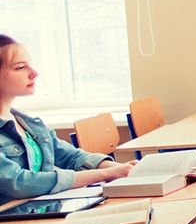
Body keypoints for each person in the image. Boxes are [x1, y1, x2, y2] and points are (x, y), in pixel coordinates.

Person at [0, 34, 135, 205]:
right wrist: (105, 174)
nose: (34, 73)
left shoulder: (29, 124)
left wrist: (121, 168)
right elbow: (20, 183)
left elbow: (70, 157)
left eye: (30, 64)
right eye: (20, 67)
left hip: (48, 213)